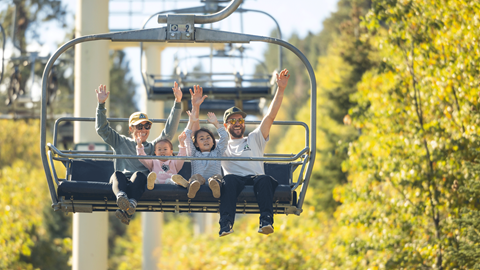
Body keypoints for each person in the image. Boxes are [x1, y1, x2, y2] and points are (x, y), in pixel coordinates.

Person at [95, 82, 183, 225]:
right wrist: (101, 105)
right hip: (121, 182)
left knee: (140, 175)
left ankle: (130, 204)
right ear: (131, 128)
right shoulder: (120, 142)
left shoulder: (153, 147)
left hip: (140, 183)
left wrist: (177, 103)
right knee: (117, 175)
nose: (144, 129)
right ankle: (122, 198)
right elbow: (102, 130)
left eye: (147, 126)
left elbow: (168, 132)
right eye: (139, 126)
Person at [218, 68, 290, 237]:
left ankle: (266, 221)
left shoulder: (255, 138)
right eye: (233, 121)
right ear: (225, 126)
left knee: (264, 179)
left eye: (240, 120)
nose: (237, 123)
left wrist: (281, 89)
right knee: (228, 180)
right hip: (234, 182)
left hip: (256, 179)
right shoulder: (221, 145)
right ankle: (226, 224)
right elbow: (199, 143)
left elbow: (270, 116)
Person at [171, 110, 228, 199]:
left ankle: (215, 188)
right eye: (201, 139)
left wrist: (216, 123)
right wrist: (191, 122)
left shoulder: (217, 153)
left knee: (217, 178)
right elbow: (187, 137)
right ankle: (193, 188)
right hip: (199, 180)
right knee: (195, 178)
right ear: (196, 144)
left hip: (214, 180)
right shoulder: (194, 154)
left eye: (208, 138)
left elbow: (224, 137)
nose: (205, 140)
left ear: (213, 142)